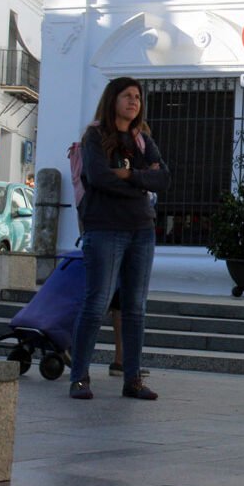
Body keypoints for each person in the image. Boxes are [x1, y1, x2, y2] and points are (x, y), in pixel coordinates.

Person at [69, 77, 170, 400]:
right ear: (112, 99)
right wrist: (141, 183)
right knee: (96, 303)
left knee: (135, 307)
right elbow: (98, 177)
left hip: (141, 228)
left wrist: (129, 175)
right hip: (105, 228)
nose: (133, 101)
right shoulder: (95, 136)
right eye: (127, 95)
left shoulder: (142, 138)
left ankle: (133, 380)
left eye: (138, 96)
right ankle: (79, 377)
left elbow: (163, 178)